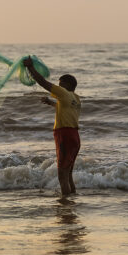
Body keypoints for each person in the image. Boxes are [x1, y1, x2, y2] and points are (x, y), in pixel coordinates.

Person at [22, 57, 81, 196]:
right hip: (74, 136)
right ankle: (72, 198)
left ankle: (65, 206)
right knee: (68, 173)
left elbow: (43, 82)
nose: (58, 87)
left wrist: (30, 67)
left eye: (61, 84)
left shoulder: (63, 93)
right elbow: (65, 109)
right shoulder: (76, 99)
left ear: (67, 85)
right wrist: (51, 103)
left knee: (62, 175)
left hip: (64, 135)